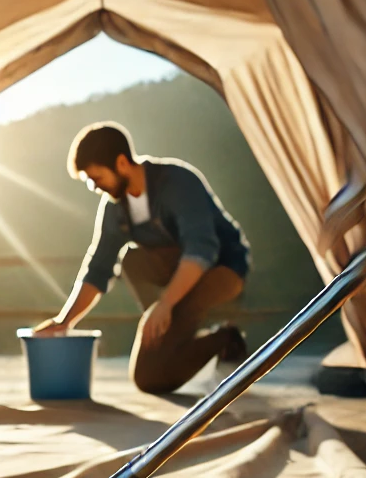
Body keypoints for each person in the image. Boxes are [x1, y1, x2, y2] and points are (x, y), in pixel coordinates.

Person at [33, 121, 251, 394]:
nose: (93, 186)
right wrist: (64, 322)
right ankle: (179, 335)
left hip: (221, 269)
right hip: (176, 277)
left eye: (96, 177)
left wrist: (165, 303)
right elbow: (99, 268)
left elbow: (201, 250)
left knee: (149, 378)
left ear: (122, 163)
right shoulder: (115, 207)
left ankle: (224, 339)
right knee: (132, 259)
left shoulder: (177, 182)